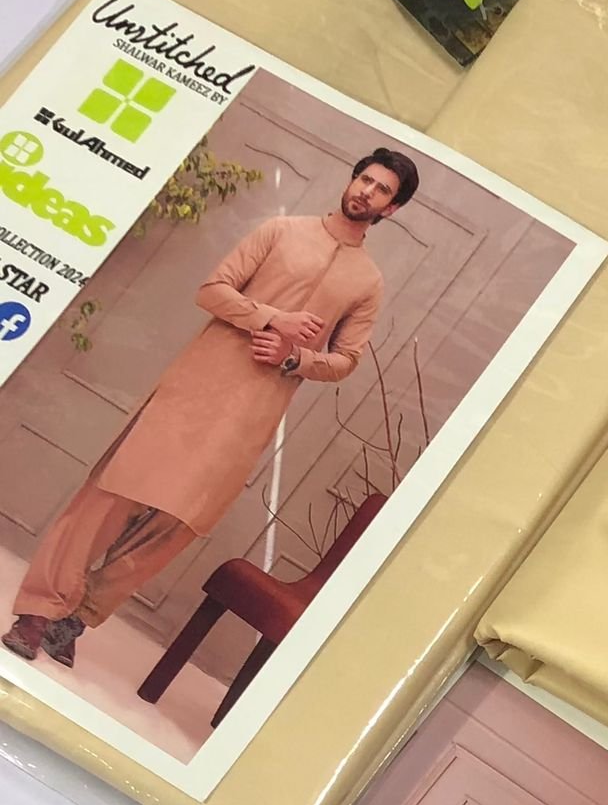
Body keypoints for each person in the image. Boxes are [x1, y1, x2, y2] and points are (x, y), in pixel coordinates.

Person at [3, 148, 419, 669]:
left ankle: (76, 618)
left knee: (174, 526)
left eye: (381, 190)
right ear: (352, 180)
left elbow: (345, 360)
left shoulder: (366, 282)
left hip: (248, 418)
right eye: (365, 180)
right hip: (192, 390)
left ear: (391, 209)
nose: (366, 191)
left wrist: (294, 358)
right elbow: (212, 290)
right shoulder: (282, 232)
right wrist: (271, 318)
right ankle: (37, 612)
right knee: (106, 501)